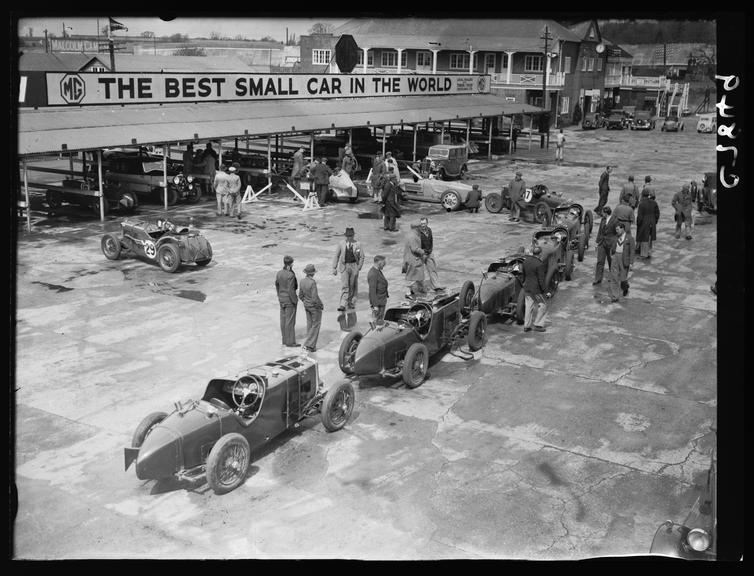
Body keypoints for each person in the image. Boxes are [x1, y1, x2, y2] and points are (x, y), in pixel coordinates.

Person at [332, 227, 365, 311]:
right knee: (345, 285)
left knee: (352, 285)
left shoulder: (358, 244)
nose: (349, 237)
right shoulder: (341, 244)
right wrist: (334, 267)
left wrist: (359, 267)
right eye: (348, 236)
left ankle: (351, 302)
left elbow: (361, 257)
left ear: (353, 235)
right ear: (345, 236)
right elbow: (336, 255)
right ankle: (343, 304)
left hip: (354, 266)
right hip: (344, 266)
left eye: (351, 236)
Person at [521, 243, 550, 332]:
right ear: (540, 254)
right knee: (544, 305)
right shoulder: (539, 264)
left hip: (527, 287)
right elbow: (541, 280)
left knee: (528, 307)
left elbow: (523, 275)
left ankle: (526, 326)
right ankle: (538, 324)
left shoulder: (525, 261)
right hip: (536, 290)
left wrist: (524, 283)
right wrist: (546, 291)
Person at [607, 222, 636, 302]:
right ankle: (615, 296)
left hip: (624, 259)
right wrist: (612, 255)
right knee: (614, 277)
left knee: (623, 279)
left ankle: (625, 287)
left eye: (618, 229)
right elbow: (611, 247)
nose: (617, 231)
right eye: (616, 230)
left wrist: (631, 263)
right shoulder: (615, 238)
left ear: (622, 229)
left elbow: (632, 251)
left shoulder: (630, 238)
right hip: (615, 257)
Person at [299, 264, 323, 352]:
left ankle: (309, 344)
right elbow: (314, 298)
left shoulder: (302, 281)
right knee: (316, 325)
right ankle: (310, 345)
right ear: (312, 273)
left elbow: (300, 295)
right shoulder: (312, 283)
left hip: (306, 305)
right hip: (313, 307)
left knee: (309, 324)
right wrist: (320, 306)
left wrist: (306, 302)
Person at [275, 255, 298, 347]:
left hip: (281, 299)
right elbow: (290, 290)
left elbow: (276, 285)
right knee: (290, 321)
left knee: (283, 320)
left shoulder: (279, 273)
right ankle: (290, 342)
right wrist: (295, 300)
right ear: (291, 263)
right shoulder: (290, 275)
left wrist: (279, 295)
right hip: (289, 300)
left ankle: (284, 340)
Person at [418, 217, 444, 291]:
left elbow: (431, 241)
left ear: (427, 223)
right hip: (421, 254)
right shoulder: (417, 232)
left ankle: (436, 286)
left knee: (432, 269)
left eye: (424, 223)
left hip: (429, 253)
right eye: (421, 224)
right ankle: (419, 288)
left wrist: (430, 251)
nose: (423, 225)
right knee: (419, 271)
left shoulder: (429, 230)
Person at [593, 206, 614, 285]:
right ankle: (597, 279)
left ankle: (612, 277)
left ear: (606, 213)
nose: (601, 214)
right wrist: (597, 242)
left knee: (611, 261)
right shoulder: (603, 220)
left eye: (602, 212)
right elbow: (600, 232)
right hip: (602, 243)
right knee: (600, 261)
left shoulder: (614, 221)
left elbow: (617, 232)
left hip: (610, 244)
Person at [636, 189, 660, 259]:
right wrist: (655, 221)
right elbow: (657, 213)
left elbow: (640, 216)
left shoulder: (641, 204)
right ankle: (649, 252)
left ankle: (644, 254)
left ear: (643, 195)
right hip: (652, 222)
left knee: (644, 238)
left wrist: (638, 223)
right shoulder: (654, 202)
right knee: (650, 237)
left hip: (644, 222)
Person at [403, 224, 426, 297]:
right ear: (416, 227)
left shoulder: (411, 234)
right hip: (413, 259)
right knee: (411, 277)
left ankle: (421, 288)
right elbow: (414, 248)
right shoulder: (412, 236)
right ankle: (408, 293)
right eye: (420, 226)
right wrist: (423, 251)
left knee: (418, 276)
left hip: (412, 258)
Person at [367, 255, 389, 322]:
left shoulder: (377, 271)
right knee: (378, 322)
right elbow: (372, 291)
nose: (384, 265)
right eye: (383, 263)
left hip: (381, 300)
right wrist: (375, 306)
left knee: (380, 320)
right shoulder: (373, 274)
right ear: (379, 263)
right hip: (378, 303)